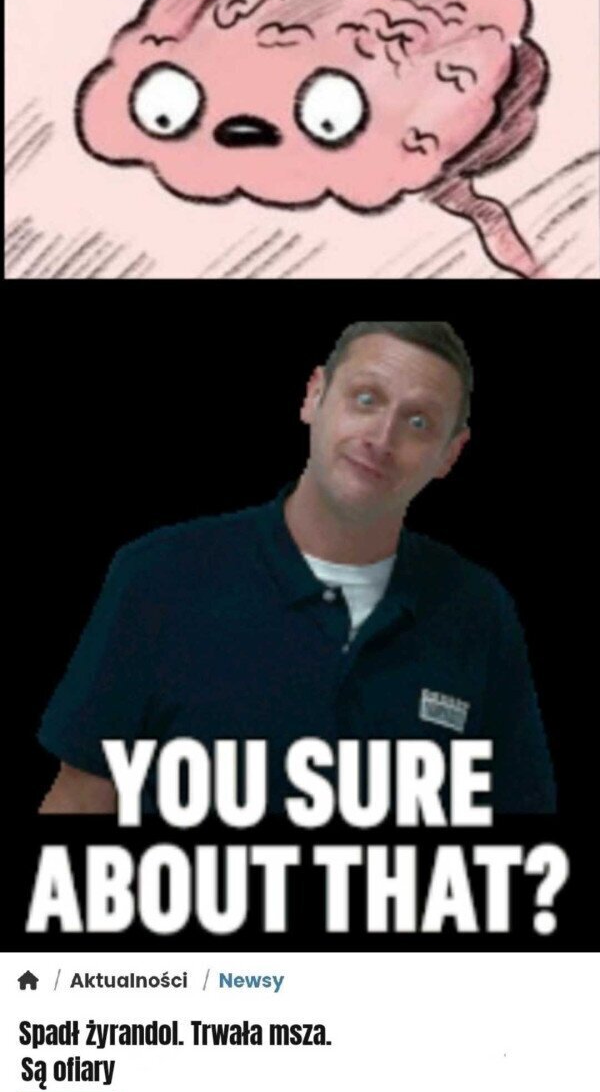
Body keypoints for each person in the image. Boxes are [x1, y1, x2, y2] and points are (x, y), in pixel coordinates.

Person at [38, 320, 555, 815]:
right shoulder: (160, 576)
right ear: (315, 395)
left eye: (418, 422)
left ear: (450, 455)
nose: (381, 438)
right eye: (366, 399)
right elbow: (80, 801)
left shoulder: (477, 610)